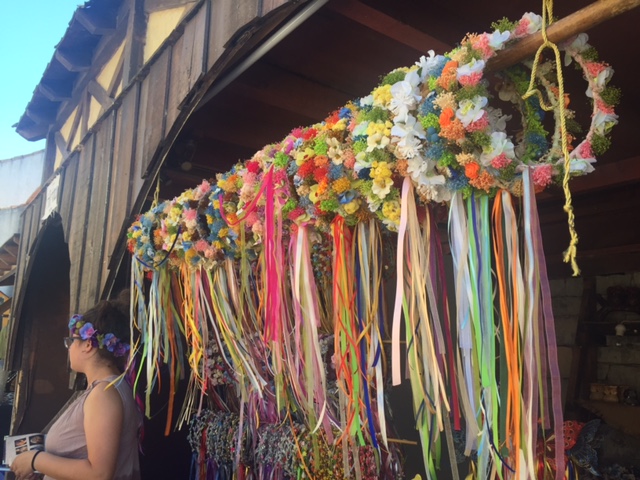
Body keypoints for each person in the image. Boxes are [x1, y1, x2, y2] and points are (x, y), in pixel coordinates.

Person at [10, 292, 142, 480]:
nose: (69, 348)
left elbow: (99, 473)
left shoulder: (103, 396)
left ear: (88, 344)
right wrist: (45, 467)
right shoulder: (110, 388)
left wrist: (35, 460)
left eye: (71, 341)